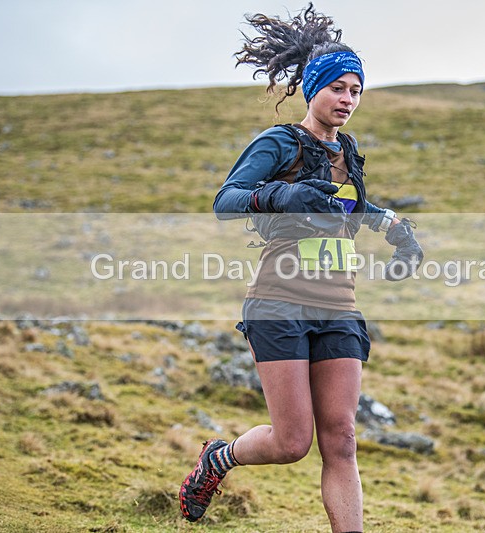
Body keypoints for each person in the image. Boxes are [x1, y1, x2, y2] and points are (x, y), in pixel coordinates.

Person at [179, 4, 423, 532]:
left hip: (339, 305)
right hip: (279, 301)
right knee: (293, 443)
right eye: (338, 88)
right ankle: (218, 459)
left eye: (356, 91)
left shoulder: (348, 151)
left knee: (341, 439)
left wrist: (391, 226)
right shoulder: (280, 143)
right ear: (314, 89)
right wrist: (284, 193)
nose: (348, 100)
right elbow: (226, 201)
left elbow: (348, 206)